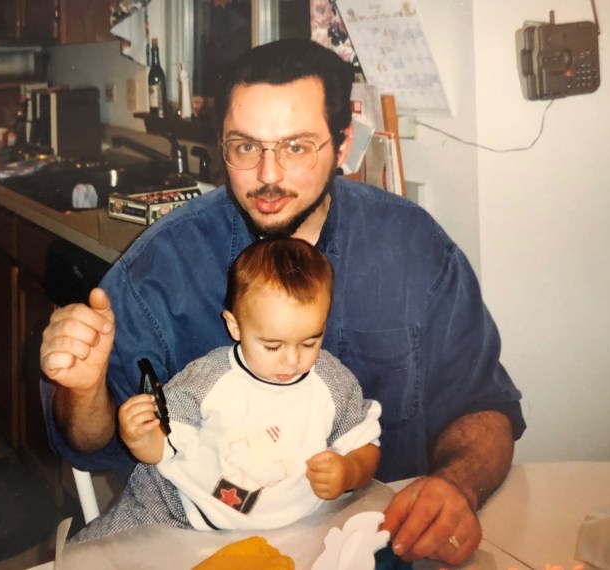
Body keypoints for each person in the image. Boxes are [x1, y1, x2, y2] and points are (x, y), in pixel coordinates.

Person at [40, 38, 525, 564]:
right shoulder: (164, 266)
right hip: (213, 548)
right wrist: (82, 391)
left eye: (296, 147)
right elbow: (91, 444)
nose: (268, 175)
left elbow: (482, 406)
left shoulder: (413, 247)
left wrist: (457, 486)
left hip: (380, 547)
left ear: (342, 147)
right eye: (245, 147)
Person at [70, 238, 382, 542]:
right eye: (272, 345)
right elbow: (162, 448)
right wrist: (138, 437)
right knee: (95, 555)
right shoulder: (209, 378)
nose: (291, 359)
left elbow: (366, 447)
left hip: (288, 532)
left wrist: (349, 471)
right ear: (235, 327)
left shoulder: (332, 384)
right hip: (181, 509)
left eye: (310, 341)